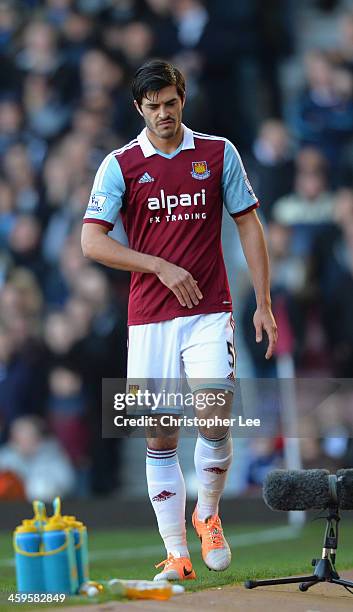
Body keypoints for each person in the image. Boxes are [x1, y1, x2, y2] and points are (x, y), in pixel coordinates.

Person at [81, 59, 277, 581]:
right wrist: (158, 265)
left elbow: (249, 225)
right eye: (152, 107)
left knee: (215, 416)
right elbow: (91, 241)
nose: (163, 114)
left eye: (170, 103)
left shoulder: (217, 153)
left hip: (210, 310)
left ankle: (208, 513)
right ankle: (176, 552)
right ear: (138, 109)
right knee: (160, 434)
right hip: (149, 318)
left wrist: (263, 301)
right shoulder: (119, 165)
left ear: (182, 98)